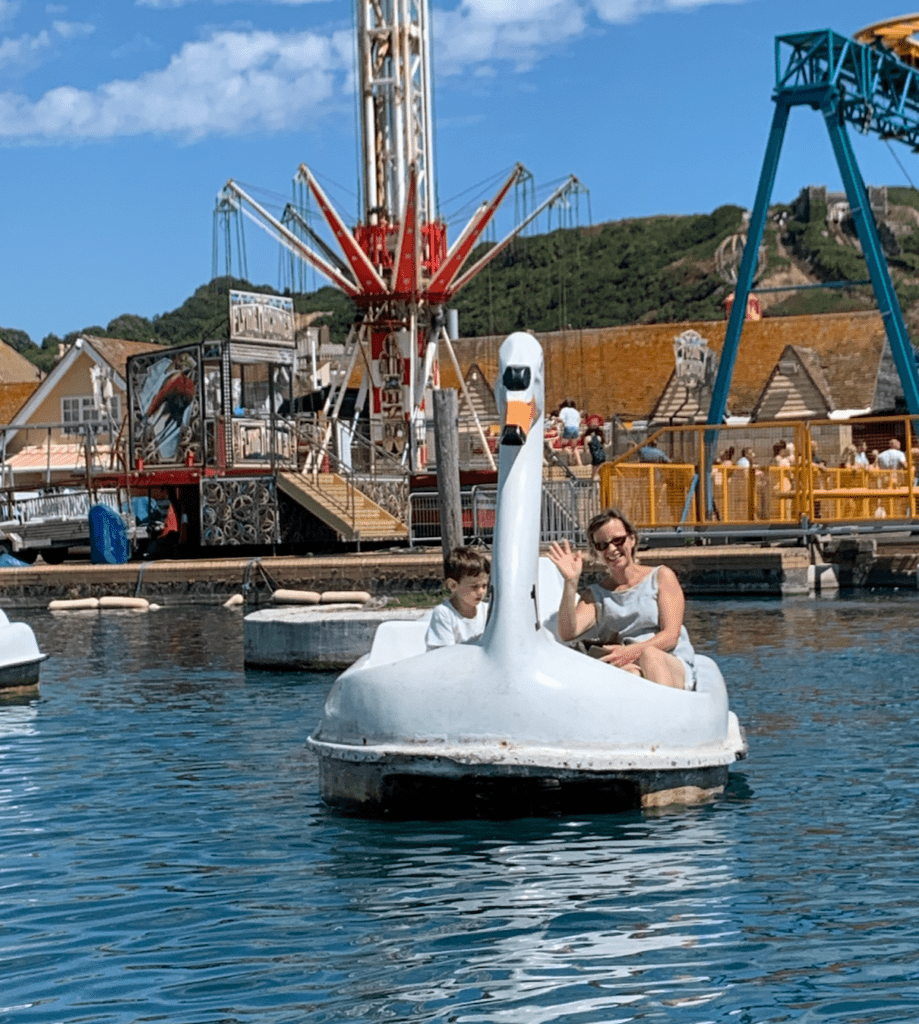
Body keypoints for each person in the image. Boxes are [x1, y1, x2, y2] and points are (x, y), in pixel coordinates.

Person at [546, 509, 696, 690]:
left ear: (631, 539)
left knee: (650, 655)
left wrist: (630, 652)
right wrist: (570, 582)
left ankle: (667, 715)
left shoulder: (661, 576)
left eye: (618, 541)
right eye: (602, 545)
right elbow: (568, 632)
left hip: (668, 661)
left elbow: (671, 636)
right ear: (597, 551)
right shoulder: (595, 595)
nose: (611, 549)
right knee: (631, 674)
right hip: (626, 665)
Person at [425, 546, 490, 649]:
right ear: (453, 585)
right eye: (474, 586)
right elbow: (445, 655)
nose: (481, 591)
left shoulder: (487, 611)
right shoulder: (444, 614)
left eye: (484, 586)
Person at [557, 400, 582, 465]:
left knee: (563, 446)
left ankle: (570, 459)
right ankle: (580, 463)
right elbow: (579, 421)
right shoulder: (576, 411)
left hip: (568, 428)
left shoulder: (564, 410)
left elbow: (560, 419)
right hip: (576, 429)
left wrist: (563, 423)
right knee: (574, 447)